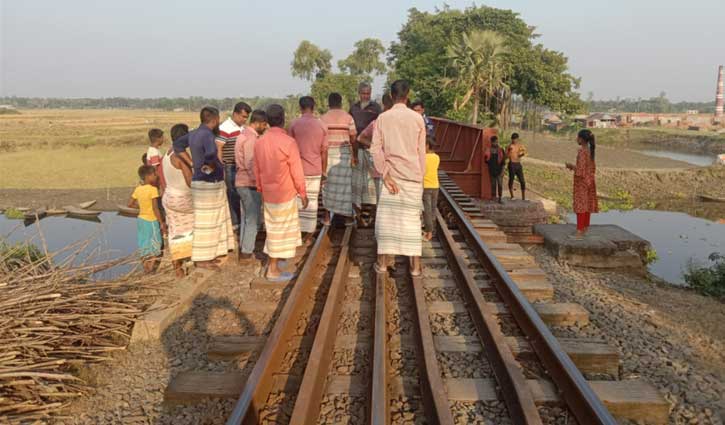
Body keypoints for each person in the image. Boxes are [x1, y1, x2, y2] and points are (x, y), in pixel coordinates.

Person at [371, 80, 426, 276]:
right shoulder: (418, 119)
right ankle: (415, 267)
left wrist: (385, 174)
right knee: (412, 222)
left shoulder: (383, 118)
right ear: (407, 94)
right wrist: (421, 177)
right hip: (412, 177)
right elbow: (421, 152)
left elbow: (375, 149)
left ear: (391, 95)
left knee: (387, 221)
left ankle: (382, 264)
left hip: (391, 178)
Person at [254, 104, 309, 282]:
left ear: (267, 121)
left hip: (269, 194)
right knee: (280, 232)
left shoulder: (259, 141)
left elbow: (257, 169)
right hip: (285, 193)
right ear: (283, 119)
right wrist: (303, 192)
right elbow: (296, 171)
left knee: (273, 229)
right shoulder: (288, 142)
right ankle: (272, 269)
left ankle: (276, 262)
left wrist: (261, 188)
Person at [182, 106, 235, 270]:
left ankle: (211, 254)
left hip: (204, 182)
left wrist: (193, 164)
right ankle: (202, 259)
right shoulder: (207, 135)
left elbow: (177, 147)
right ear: (215, 119)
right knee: (207, 223)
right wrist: (208, 169)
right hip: (208, 184)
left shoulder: (193, 133)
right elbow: (211, 156)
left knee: (214, 220)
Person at [289, 96, 328, 236]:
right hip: (315, 169)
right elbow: (324, 151)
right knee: (312, 201)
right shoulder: (321, 125)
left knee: (298, 199)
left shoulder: (294, 124)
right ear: (314, 107)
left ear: (300, 107)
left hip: (297, 169)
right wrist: (324, 171)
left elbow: (290, 148)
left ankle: (298, 229)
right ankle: (310, 231)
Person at [235, 109, 268, 262]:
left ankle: (244, 248)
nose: (265, 127)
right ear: (259, 123)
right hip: (249, 183)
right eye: (264, 124)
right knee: (253, 218)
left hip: (241, 181)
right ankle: (247, 252)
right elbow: (250, 163)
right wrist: (258, 183)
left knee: (247, 217)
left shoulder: (242, 135)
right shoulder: (251, 139)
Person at [162, 124, 194, 277]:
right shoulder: (181, 156)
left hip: (169, 196)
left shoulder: (166, 154)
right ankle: (197, 258)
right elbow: (190, 181)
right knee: (195, 226)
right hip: (183, 198)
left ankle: (177, 266)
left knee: (175, 231)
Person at [320, 93, 357, 226]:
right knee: (345, 186)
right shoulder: (348, 118)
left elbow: (320, 140)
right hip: (344, 154)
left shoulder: (322, 119)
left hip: (328, 154)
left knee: (327, 185)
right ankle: (347, 217)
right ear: (341, 103)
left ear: (328, 103)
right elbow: (353, 138)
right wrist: (355, 156)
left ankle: (327, 217)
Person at [216, 102, 252, 233]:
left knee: (241, 194)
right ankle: (236, 223)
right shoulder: (225, 128)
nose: (244, 119)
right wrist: (222, 167)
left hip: (240, 166)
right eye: (242, 116)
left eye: (246, 117)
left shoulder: (242, 128)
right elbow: (218, 148)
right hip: (230, 165)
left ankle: (242, 221)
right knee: (233, 194)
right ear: (235, 114)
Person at [356, 93, 394, 212]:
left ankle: (380, 225)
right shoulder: (405, 120)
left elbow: (360, 138)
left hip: (380, 166)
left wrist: (374, 146)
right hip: (398, 168)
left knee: (381, 199)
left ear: (384, 105)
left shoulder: (378, 122)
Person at [128, 165, 166, 273]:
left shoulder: (138, 189)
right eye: (154, 174)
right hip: (151, 220)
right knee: (156, 243)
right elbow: (155, 208)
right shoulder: (153, 189)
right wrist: (162, 222)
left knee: (144, 244)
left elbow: (130, 204)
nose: (156, 176)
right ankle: (151, 269)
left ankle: (145, 268)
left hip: (141, 220)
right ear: (148, 176)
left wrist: (142, 207)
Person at [566, 129, 598, 238]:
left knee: (580, 205)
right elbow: (592, 168)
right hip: (590, 181)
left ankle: (579, 232)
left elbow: (579, 171)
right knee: (587, 205)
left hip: (582, 182)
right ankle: (584, 228)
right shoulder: (590, 150)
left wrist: (571, 166)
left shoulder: (582, 151)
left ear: (582, 139)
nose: (576, 139)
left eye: (578, 137)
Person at [422, 136, 440, 241]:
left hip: (426, 187)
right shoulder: (437, 157)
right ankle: (432, 230)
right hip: (435, 186)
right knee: (433, 210)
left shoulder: (423, 157)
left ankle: (429, 233)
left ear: (427, 145)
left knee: (427, 210)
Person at [484, 135, 506, 203]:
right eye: (495, 142)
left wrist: (503, 170)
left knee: (500, 185)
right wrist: (486, 157)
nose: (496, 143)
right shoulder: (488, 150)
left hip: (499, 170)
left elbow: (503, 162)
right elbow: (486, 161)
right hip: (492, 170)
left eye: (497, 142)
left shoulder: (501, 150)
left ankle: (500, 198)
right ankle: (493, 198)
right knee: (493, 185)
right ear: (491, 142)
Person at [506, 133, 527, 200]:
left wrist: (522, 154)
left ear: (517, 139)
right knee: (511, 179)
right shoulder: (509, 146)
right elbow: (506, 156)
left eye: (515, 139)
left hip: (518, 164)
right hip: (512, 164)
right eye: (513, 139)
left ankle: (523, 197)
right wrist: (509, 151)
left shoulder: (520, 146)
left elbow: (521, 154)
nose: (514, 140)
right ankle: (512, 196)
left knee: (522, 181)